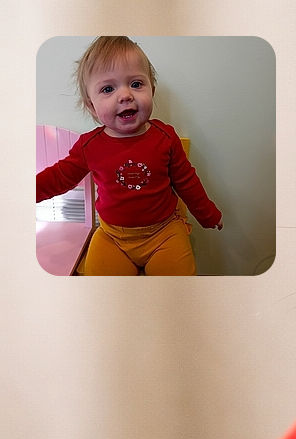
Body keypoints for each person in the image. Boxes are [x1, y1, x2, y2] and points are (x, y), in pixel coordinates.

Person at [36, 36, 222, 275]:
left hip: (164, 233)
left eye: (136, 84)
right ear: (92, 106)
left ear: (151, 91)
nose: (125, 95)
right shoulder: (89, 146)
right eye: (108, 89)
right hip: (113, 237)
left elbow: (187, 182)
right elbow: (60, 177)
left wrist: (208, 215)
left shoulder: (165, 138)